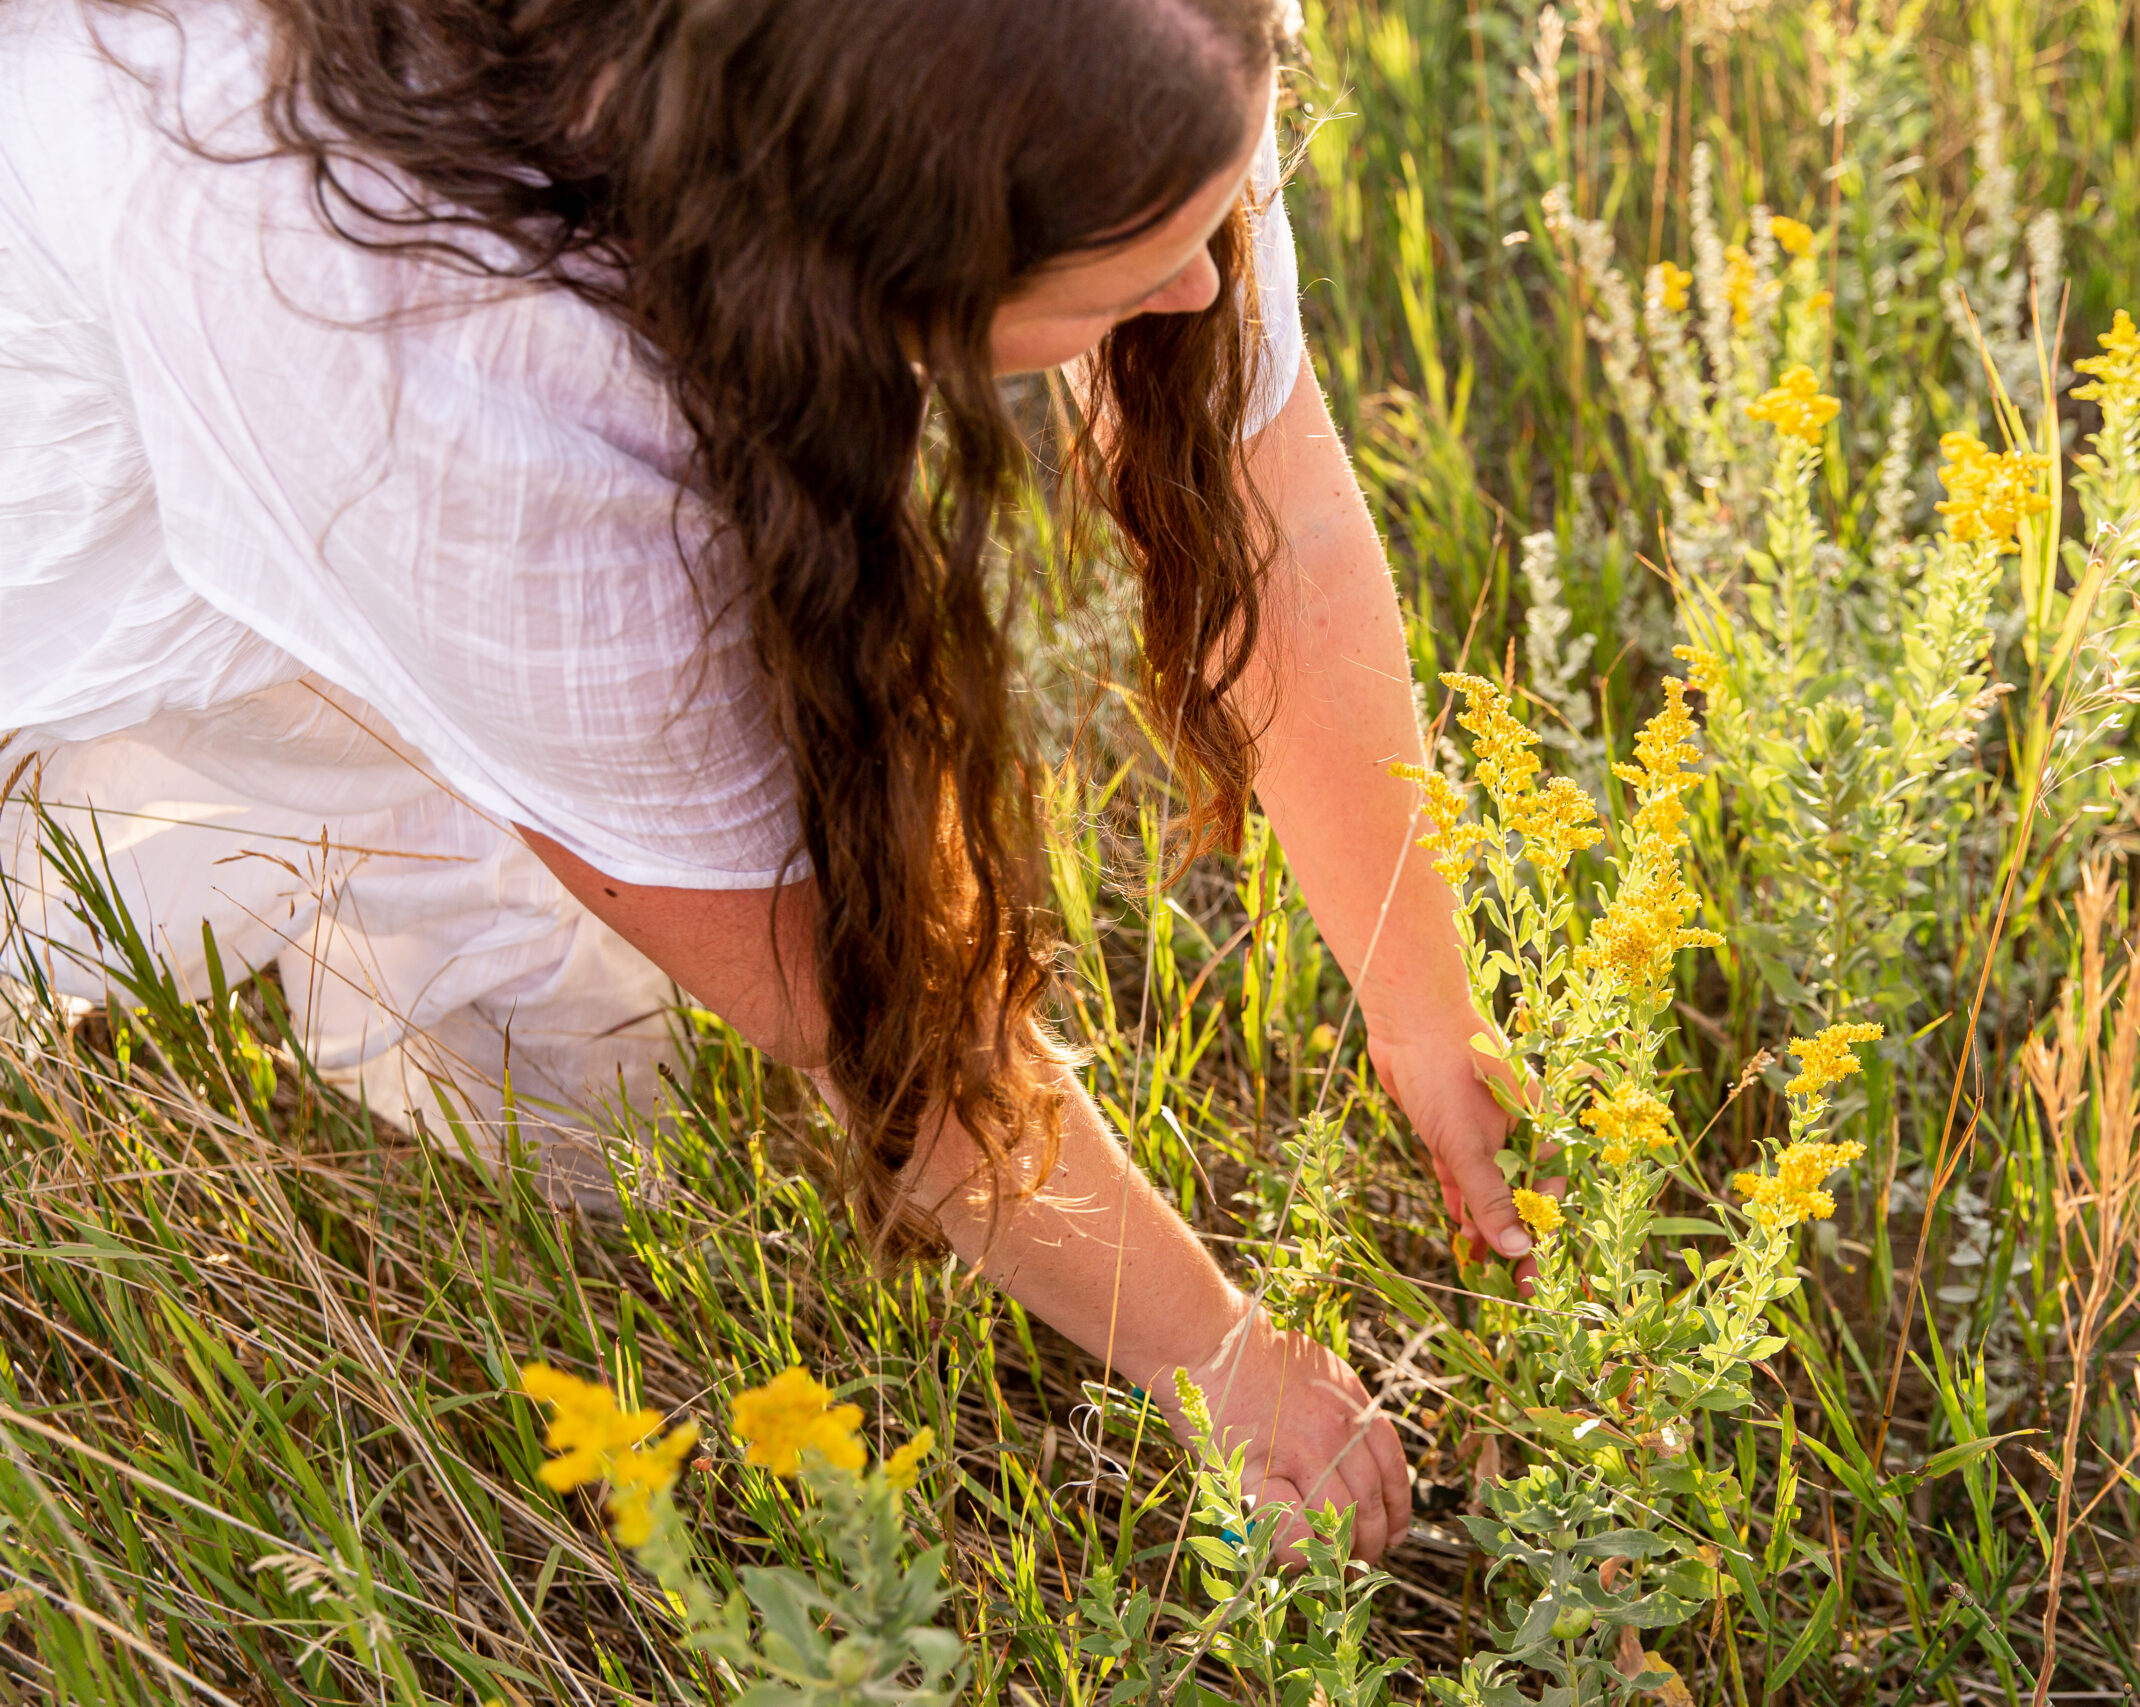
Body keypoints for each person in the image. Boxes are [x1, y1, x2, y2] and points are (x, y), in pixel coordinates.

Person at [0, 0, 1533, 1563]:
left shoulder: (1097, 45)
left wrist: (1425, 1003)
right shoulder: (450, 384)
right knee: (524, 970)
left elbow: (1268, 514)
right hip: (86, 383)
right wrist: (1213, 1355)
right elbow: (857, 1002)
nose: (1202, 285)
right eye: (1132, 275)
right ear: (868, 272)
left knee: (587, 970)